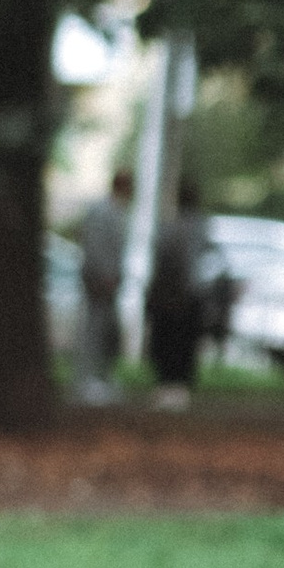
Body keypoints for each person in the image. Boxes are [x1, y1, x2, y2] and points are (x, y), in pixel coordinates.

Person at [147, 176, 210, 408]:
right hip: (186, 294)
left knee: (170, 343)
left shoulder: (170, 227)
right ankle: (176, 388)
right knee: (182, 344)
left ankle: (170, 387)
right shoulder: (199, 227)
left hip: (174, 295)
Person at [73, 165, 132, 402]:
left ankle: (99, 379)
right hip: (100, 281)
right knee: (93, 331)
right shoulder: (103, 212)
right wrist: (103, 276)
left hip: (108, 280)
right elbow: (96, 247)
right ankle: (86, 380)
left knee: (104, 332)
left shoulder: (115, 211)